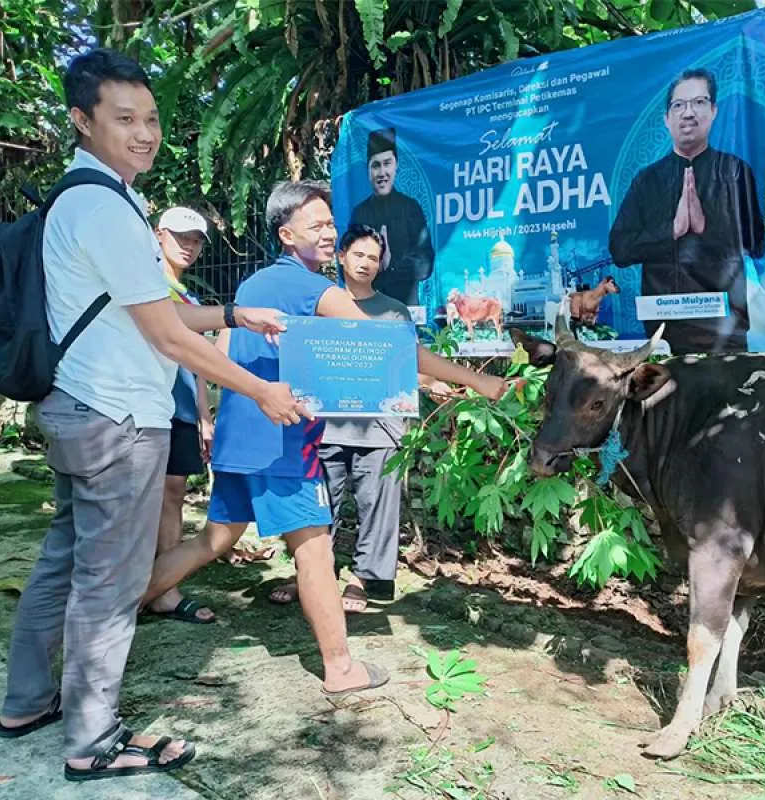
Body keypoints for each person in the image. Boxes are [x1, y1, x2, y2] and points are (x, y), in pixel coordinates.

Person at [0, 48, 308, 783]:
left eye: (152, 119)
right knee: (108, 581)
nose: (144, 133)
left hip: (78, 410)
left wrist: (230, 311)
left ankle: (27, 702)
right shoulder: (102, 206)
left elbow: (154, 309)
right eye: (124, 119)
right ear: (82, 121)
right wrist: (259, 390)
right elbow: (164, 334)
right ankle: (92, 742)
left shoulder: (94, 199)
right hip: (114, 419)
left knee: (63, 562)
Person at [138, 180, 511, 699]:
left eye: (330, 223)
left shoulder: (254, 285)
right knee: (314, 550)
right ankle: (340, 669)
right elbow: (390, 346)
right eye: (318, 225)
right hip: (284, 442)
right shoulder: (310, 286)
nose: (329, 232)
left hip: (240, 437)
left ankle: (116, 609)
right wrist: (479, 380)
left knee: (215, 539)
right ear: (287, 235)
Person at [267, 224, 451, 611]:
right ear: (341, 256)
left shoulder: (393, 312)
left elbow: (410, 366)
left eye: (373, 257)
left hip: (381, 428)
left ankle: (362, 578)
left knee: (377, 506)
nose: (366, 263)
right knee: (317, 506)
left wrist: (431, 383)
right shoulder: (315, 303)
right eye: (359, 255)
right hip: (322, 427)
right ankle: (313, 574)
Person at [608, 67, 765, 354]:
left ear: (714, 110)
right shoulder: (648, 180)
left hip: (724, 328)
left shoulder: (735, 172)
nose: (689, 113)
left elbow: (755, 245)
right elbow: (620, 249)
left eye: (699, 102)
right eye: (679, 105)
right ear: (667, 118)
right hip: (662, 331)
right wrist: (672, 231)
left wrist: (706, 227)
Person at [144, 206, 217, 624]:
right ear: (158, 236)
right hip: (147, 404)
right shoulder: (147, 286)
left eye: (196, 240)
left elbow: (199, 364)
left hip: (181, 410)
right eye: (181, 237)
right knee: (141, 496)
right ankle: (129, 587)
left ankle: (164, 589)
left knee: (173, 495)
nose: (189, 246)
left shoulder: (189, 298)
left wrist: (204, 416)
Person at [348, 127, 434, 306]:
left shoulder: (411, 208)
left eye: (387, 163)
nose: (382, 173)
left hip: (406, 310)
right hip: (368, 310)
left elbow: (425, 264)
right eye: (375, 165)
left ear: (396, 166)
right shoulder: (360, 213)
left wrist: (388, 266)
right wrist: (377, 264)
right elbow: (347, 268)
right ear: (368, 171)